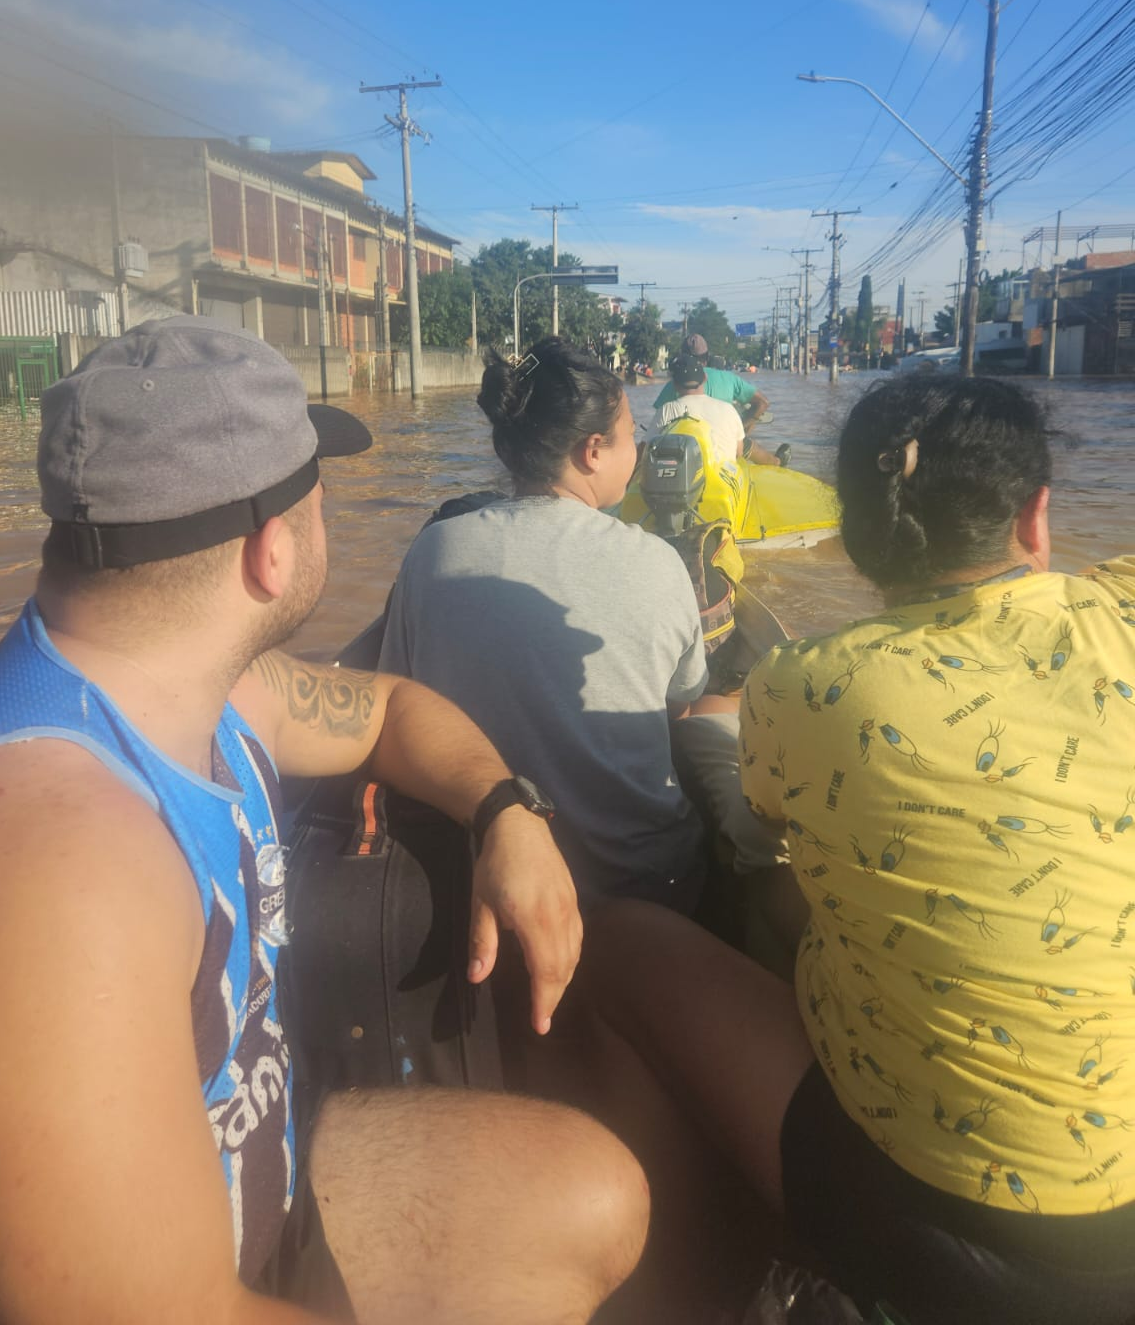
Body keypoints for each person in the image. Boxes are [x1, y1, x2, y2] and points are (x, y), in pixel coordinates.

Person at [0, 316, 649, 1325]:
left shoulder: (200, 682)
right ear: (273, 551)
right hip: (193, 1279)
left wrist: (504, 811)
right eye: (320, 492)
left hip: (250, 1170)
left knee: (598, 1195)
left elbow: (390, 709)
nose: (329, 514)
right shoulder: (56, 867)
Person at [583, 374, 1135, 1325]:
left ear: (855, 536)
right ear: (1038, 517)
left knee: (624, 937)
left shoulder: (807, 683)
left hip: (937, 1228)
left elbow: (760, 823)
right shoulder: (1118, 616)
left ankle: (683, 1276)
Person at [379, 337, 712, 912]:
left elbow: (396, 698)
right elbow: (677, 709)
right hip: (642, 881)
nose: (639, 448)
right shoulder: (659, 562)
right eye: (631, 434)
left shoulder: (434, 549)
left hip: (488, 882)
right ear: (592, 451)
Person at [653, 352, 789, 467]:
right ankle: (776, 462)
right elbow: (763, 403)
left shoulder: (666, 408)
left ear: (675, 385)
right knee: (743, 443)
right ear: (704, 378)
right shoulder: (728, 406)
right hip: (722, 469)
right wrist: (741, 430)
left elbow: (651, 438)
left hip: (680, 454)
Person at [653, 332, 770, 429]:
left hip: (685, 445)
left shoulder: (674, 384)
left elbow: (658, 421)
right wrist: (742, 430)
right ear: (707, 357)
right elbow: (763, 402)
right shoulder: (729, 379)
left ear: (681, 358)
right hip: (725, 443)